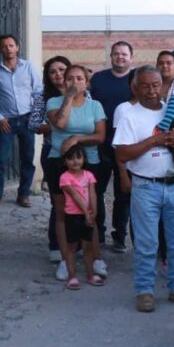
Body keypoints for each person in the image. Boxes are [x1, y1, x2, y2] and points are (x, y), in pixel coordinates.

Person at [113, 65, 174, 313]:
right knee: (147, 242)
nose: (152, 91)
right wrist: (155, 140)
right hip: (146, 186)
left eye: (156, 85)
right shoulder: (130, 115)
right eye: (145, 85)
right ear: (135, 87)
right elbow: (121, 153)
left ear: (163, 85)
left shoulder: (173, 108)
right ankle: (145, 291)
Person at [46, 65, 107, 283]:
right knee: (63, 211)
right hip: (58, 161)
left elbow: (100, 136)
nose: (75, 82)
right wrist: (69, 98)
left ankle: (96, 257)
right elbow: (61, 123)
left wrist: (77, 139)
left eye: (80, 78)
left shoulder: (95, 106)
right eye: (70, 78)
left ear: (86, 82)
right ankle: (65, 259)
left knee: (91, 208)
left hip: (89, 161)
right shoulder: (54, 103)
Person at [0, 34, 42, 209]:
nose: (8, 49)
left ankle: (23, 194)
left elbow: (38, 91)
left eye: (11, 45)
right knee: (0, 159)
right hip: (6, 121)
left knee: (27, 158)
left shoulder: (29, 67)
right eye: (4, 46)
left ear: (17, 47)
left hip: (27, 118)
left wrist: (35, 117)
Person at [89, 41, 134, 252]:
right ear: (111, 56)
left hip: (127, 145)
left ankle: (120, 236)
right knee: (96, 190)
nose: (120, 57)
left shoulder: (136, 80)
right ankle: (98, 234)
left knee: (123, 193)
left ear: (131, 57)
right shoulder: (98, 79)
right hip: (101, 143)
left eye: (124, 54)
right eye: (116, 54)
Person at [30, 56, 70, 263]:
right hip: (53, 153)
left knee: (81, 198)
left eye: (62, 69)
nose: (58, 74)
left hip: (79, 153)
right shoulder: (42, 97)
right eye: (52, 71)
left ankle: (78, 243)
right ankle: (55, 244)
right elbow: (34, 125)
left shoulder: (84, 94)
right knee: (59, 202)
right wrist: (60, 124)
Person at [58, 146, 103, 289]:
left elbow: (93, 194)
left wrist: (94, 212)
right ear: (65, 161)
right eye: (70, 158)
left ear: (84, 159)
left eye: (78, 157)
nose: (75, 161)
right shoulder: (65, 178)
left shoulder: (89, 175)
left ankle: (90, 274)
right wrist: (87, 213)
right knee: (71, 247)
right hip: (73, 216)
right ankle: (72, 276)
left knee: (88, 246)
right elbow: (75, 195)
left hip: (88, 215)